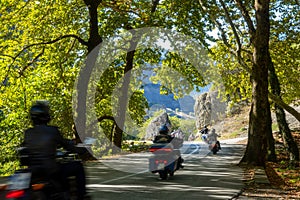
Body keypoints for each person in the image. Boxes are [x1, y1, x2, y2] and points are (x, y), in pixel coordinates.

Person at [22, 100, 90, 200]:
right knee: (78, 166)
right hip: (51, 171)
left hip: (34, 173)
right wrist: (83, 148)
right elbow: (68, 146)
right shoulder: (52, 131)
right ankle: (82, 197)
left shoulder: (28, 133)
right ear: (46, 116)